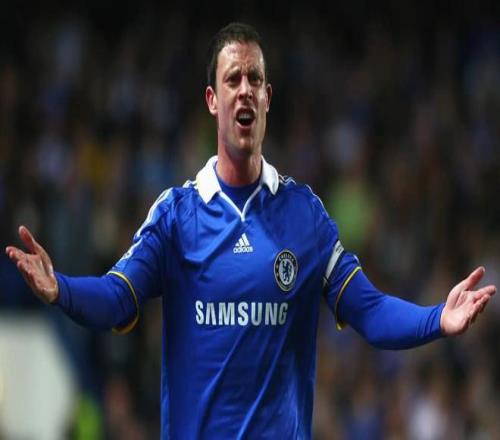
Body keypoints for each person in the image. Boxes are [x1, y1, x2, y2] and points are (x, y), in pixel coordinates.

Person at [5, 22, 496, 439]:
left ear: (266, 98)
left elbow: (369, 310)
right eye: (232, 78)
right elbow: (116, 297)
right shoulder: (177, 216)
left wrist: (438, 318)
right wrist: (60, 288)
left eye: (254, 79)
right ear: (212, 100)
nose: (244, 88)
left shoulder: (305, 216)